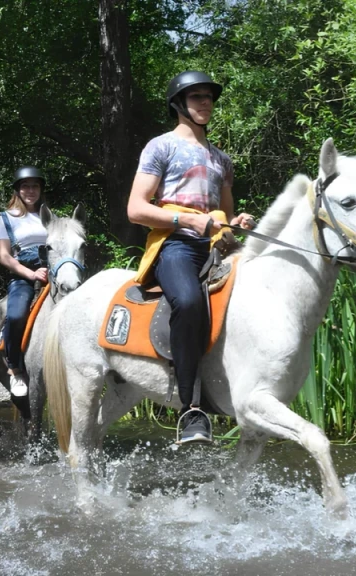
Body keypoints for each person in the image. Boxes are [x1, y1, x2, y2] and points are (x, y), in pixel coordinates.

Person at [126, 70, 255, 444]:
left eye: (209, 97)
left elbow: (225, 214)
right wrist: (186, 219)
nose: (205, 103)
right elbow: (136, 209)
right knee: (187, 300)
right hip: (175, 244)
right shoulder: (160, 147)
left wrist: (236, 220)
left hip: (218, 245)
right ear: (178, 104)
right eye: (196, 97)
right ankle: (191, 410)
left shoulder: (221, 159)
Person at [0, 166, 50, 397]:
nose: (30, 190)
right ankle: (15, 367)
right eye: (25, 186)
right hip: (23, 275)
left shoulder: (50, 216)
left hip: (53, 271)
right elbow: (4, 256)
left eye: (35, 186)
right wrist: (30, 274)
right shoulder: (6, 218)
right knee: (17, 314)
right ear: (17, 191)